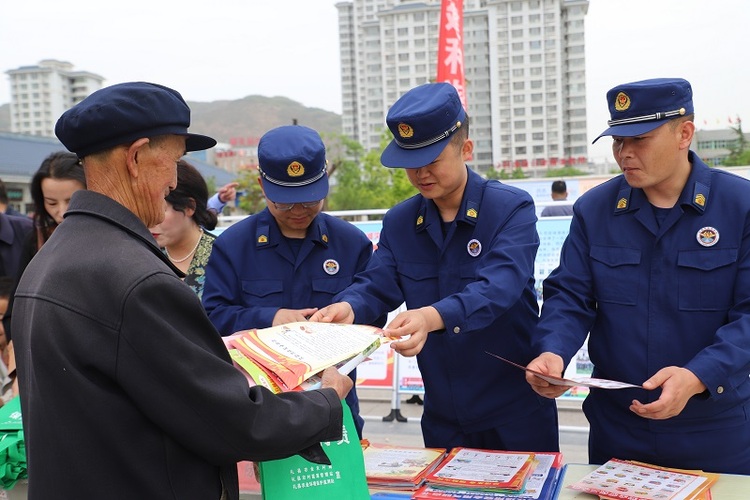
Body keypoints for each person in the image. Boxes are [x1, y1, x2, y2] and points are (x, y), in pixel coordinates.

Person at [13, 82, 353, 500]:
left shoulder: (52, 259)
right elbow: (234, 423)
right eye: (173, 160)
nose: (175, 179)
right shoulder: (133, 279)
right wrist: (326, 402)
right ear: (136, 158)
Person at [311, 82, 559, 452]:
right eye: (410, 163)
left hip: (516, 410)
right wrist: (347, 306)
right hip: (445, 415)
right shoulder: (400, 221)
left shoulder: (509, 208)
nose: (420, 173)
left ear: (466, 149)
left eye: (431, 161)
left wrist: (429, 317)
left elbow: (499, 287)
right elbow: (378, 282)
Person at [525, 77, 750, 474]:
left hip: (715, 428)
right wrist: (552, 351)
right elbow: (570, 296)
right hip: (618, 428)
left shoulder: (739, 207)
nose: (624, 153)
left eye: (639, 139)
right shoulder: (595, 210)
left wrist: (697, 376)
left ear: (684, 133)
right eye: (617, 141)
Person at [202, 124, 382, 439]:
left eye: (309, 199)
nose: (298, 211)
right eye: (284, 202)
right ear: (262, 185)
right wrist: (272, 318)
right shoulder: (233, 246)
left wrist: (350, 312)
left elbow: (375, 309)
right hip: (259, 407)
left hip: (335, 398)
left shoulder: (351, 243)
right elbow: (212, 317)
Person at [2, 151, 87, 344]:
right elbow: (15, 311)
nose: (62, 211)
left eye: (71, 200)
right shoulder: (35, 241)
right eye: (52, 203)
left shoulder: (110, 237)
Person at [150, 159, 218, 299]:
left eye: (162, 209)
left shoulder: (222, 255)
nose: (152, 220)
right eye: (148, 210)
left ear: (189, 207)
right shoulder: (146, 255)